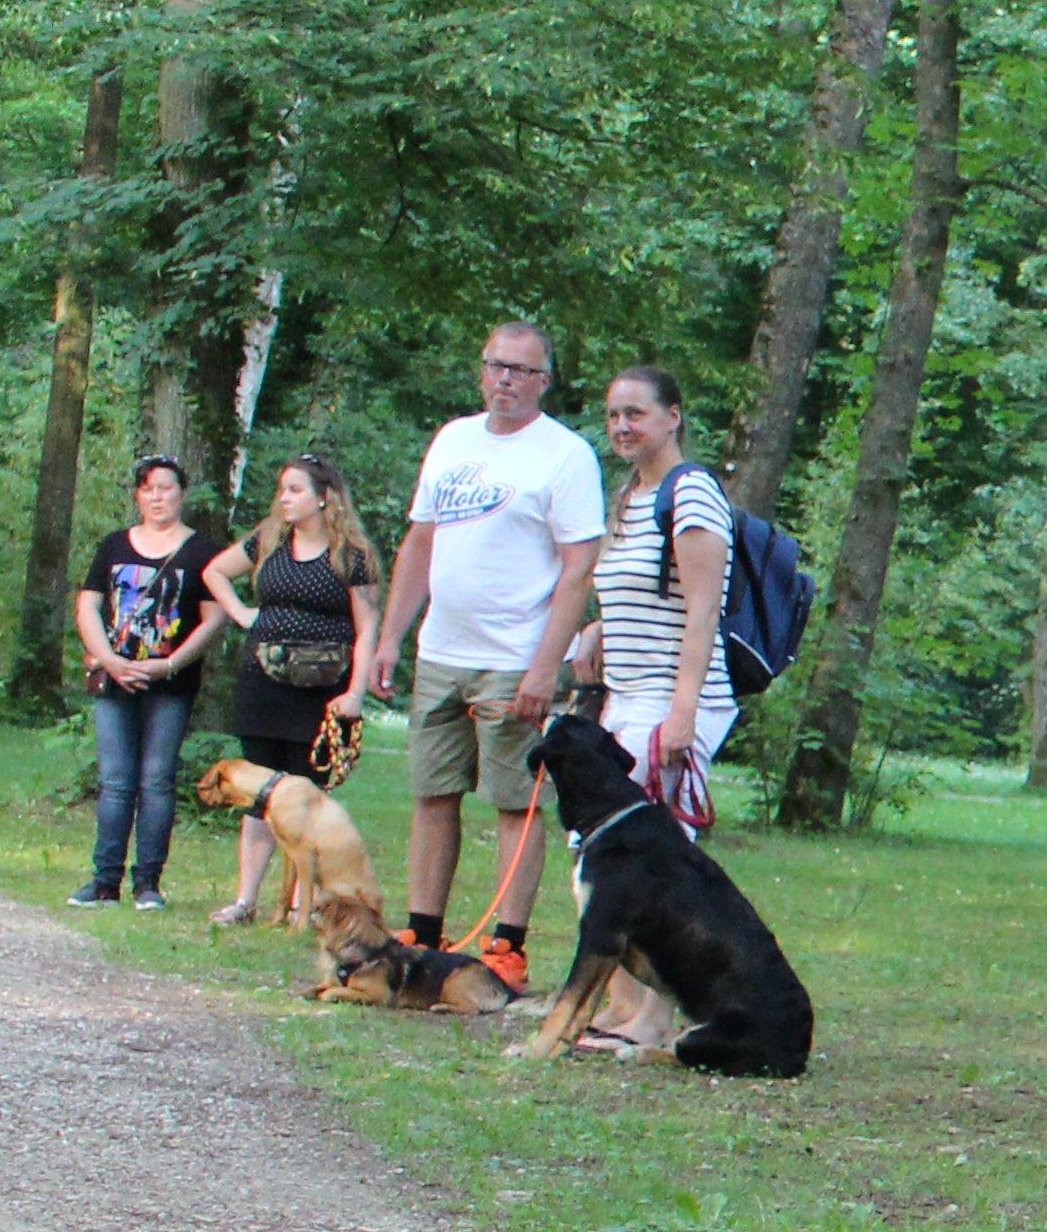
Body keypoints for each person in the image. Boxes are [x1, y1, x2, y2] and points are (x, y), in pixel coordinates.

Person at [370, 323, 608, 988]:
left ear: (543, 381)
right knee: (433, 790)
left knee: (514, 800)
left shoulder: (564, 456)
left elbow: (578, 568)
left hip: (514, 655)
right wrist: (392, 635)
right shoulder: (453, 440)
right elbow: (420, 543)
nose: (506, 379)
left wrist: (544, 665)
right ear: (481, 372)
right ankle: (421, 927)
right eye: (496, 366)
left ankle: (508, 943)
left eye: (522, 371)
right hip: (443, 646)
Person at [202, 453, 382, 929]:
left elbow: (367, 627)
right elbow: (215, 571)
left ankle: (306, 905)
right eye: (282, 489)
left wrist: (356, 693)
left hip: (320, 692)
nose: (284, 498)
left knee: (306, 797)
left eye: (295, 489)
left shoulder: (351, 556)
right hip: (264, 684)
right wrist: (243, 615)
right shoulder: (267, 542)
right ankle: (246, 900)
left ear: (324, 497)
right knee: (261, 796)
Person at [67, 455, 227, 910]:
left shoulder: (202, 551)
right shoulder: (114, 545)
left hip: (170, 685)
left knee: (156, 781)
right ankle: (103, 882)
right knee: (116, 781)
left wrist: (170, 664)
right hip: (115, 680)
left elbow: (213, 620)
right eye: (148, 488)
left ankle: (148, 884)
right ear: (138, 495)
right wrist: (109, 660)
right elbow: (88, 608)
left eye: (167, 487)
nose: (158, 496)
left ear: (182, 492)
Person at [583, 368, 733, 832]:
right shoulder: (630, 495)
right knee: (605, 847)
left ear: (672, 418)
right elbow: (643, 593)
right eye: (613, 416)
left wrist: (682, 714)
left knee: (641, 853)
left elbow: (704, 609)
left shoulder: (691, 492)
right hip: (625, 697)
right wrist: (596, 632)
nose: (622, 426)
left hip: (670, 697)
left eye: (635, 413)